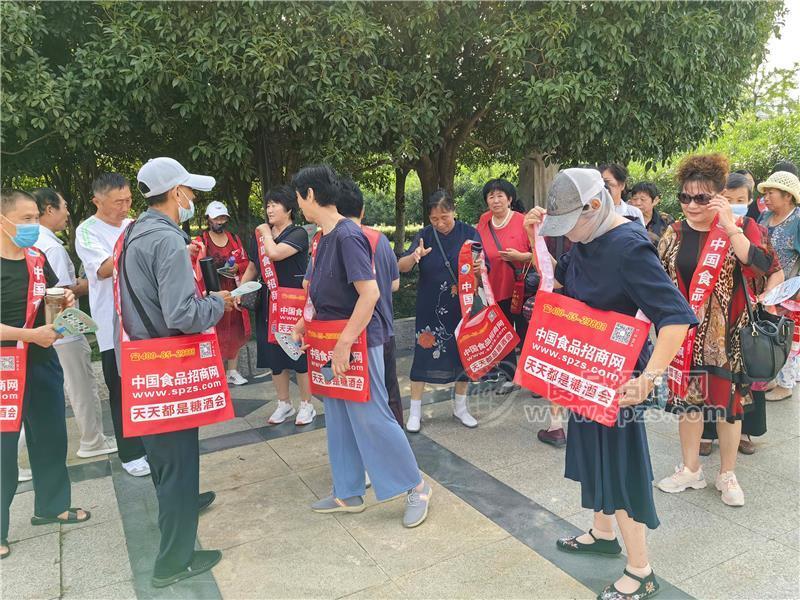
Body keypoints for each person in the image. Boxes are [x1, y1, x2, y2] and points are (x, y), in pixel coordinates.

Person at [525, 169, 695, 600]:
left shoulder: (629, 247)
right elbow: (558, 284)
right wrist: (535, 238)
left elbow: (675, 318)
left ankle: (641, 570)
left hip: (618, 378)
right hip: (586, 366)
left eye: (571, 226)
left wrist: (647, 379)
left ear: (596, 206)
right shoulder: (586, 237)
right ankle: (603, 533)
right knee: (593, 457)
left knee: (619, 468)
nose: (569, 237)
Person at [291, 165, 431, 528]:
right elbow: (325, 292)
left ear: (309, 195)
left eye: (298, 198)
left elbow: (369, 294)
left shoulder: (347, 235)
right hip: (331, 341)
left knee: (373, 418)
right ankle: (348, 492)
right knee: (339, 419)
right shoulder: (323, 237)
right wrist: (305, 323)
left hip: (353, 343)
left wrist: (344, 344)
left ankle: (416, 487)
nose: (298, 205)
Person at [119, 157, 234, 587]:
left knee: (170, 466)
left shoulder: (139, 231)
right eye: (189, 191)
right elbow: (183, 313)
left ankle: (178, 544)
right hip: (170, 362)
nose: (193, 199)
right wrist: (220, 302)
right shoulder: (165, 239)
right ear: (176, 193)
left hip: (148, 362)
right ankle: (172, 562)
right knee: (178, 465)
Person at [656, 153, 778, 508]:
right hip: (687, 338)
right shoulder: (673, 233)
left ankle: (727, 474)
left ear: (718, 196)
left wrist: (729, 227)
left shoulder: (739, 227)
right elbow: (658, 281)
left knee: (729, 406)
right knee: (690, 404)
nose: (692, 205)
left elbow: (762, 263)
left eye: (701, 197)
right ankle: (691, 468)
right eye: (685, 197)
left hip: (728, 339)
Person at [1, 189, 92, 561]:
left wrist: (66, 303)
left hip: (41, 362)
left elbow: (54, 298)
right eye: (25, 219)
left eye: (36, 218)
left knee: (52, 435)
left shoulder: (37, 259)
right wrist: (28, 335)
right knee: (3, 450)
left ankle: (51, 505)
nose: (33, 226)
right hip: (6, 367)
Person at [699, 172, 784, 455]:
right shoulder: (702, 228)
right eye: (728, 198)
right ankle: (706, 434)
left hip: (743, 315)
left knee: (745, 375)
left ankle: (746, 431)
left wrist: (765, 297)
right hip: (708, 318)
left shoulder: (753, 229)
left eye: (740, 200)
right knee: (708, 375)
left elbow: (774, 270)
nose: (733, 204)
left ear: (749, 202)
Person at [32, 188, 118, 459]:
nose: (67, 213)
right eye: (64, 207)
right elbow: (60, 291)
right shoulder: (51, 247)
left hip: (41, 331)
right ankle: (92, 441)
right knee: (81, 385)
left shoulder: (32, 242)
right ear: (49, 209)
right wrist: (86, 284)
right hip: (63, 329)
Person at [76, 173, 150, 477]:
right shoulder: (87, 231)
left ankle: (150, 444)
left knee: (145, 386)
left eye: (129, 199)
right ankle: (131, 454)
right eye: (118, 201)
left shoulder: (132, 225)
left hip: (143, 321)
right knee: (120, 391)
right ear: (97, 200)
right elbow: (105, 268)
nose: (125, 206)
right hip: (111, 326)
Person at [397, 190, 481, 433]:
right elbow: (401, 267)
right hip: (429, 307)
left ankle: (461, 407)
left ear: (454, 211)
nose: (440, 223)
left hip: (461, 306)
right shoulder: (425, 235)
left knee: (462, 356)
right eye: (435, 218)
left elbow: (481, 267)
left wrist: (479, 267)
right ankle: (414, 412)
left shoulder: (469, 234)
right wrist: (414, 256)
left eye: (444, 216)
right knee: (422, 357)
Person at [240, 186, 315, 426]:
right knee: (273, 356)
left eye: (274, 205)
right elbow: (253, 267)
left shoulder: (299, 234)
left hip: (292, 304)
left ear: (289, 209)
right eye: (268, 205)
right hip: (269, 302)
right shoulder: (261, 236)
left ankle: (307, 404)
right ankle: (284, 403)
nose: (269, 209)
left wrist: (264, 232)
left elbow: (275, 254)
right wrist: (239, 292)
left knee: (298, 354)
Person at [336, 178, 404, 427]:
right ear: (362, 210)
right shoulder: (378, 239)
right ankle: (397, 444)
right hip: (384, 329)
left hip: (353, 334)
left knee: (360, 398)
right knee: (389, 392)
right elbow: (395, 284)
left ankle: (369, 453)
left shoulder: (332, 240)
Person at [475, 178, 532, 395]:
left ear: (509, 199)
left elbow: (541, 255)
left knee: (527, 332)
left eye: (500, 196)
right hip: (494, 287)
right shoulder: (484, 221)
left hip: (521, 288)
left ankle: (532, 378)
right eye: (491, 196)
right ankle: (509, 376)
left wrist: (521, 256)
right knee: (503, 333)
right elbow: (477, 247)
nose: (496, 200)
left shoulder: (524, 221)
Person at [757, 170, 800, 401]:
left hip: (792, 292)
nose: (766, 197)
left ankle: (786, 384)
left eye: (771, 193)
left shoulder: (798, 220)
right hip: (765, 290)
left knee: (789, 337)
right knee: (768, 335)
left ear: (788, 196)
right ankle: (772, 377)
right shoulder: (764, 218)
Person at [197, 201, 250, 386]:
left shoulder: (233, 238)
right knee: (216, 330)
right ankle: (216, 371)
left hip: (233, 290)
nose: (220, 221)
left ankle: (232, 371)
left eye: (223, 218)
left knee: (235, 329)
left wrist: (237, 267)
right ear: (208, 219)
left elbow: (245, 262)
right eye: (216, 218)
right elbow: (195, 265)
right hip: (213, 292)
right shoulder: (201, 241)